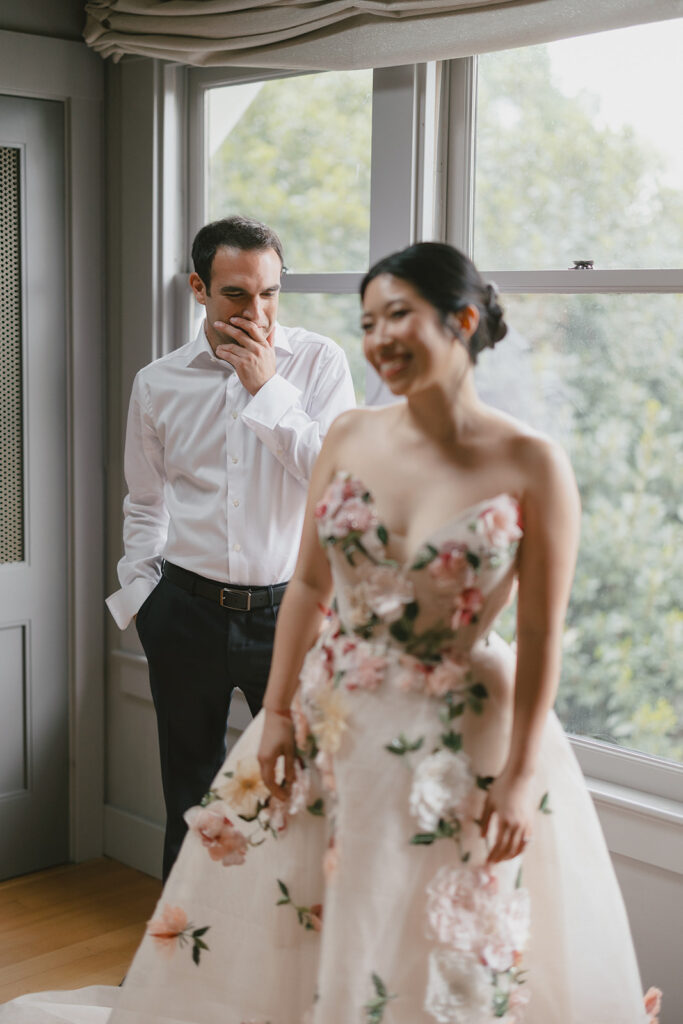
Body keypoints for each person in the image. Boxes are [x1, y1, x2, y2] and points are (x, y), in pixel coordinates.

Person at [0, 243, 660, 1024]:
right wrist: (275, 711)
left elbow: (546, 631)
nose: (377, 338)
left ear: (465, 320)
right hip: (330, 701)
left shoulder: (530, 461)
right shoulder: (349, 434)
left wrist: (517, 777)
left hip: (464, 722)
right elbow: (314, 580)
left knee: (446, 913)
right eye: (368, 320)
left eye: (398, 316)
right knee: (304, 892)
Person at [105, 215, 356, 880]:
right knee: (188, 795)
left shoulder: (319, 363)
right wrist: (142, 598)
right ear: (198, 288)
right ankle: (177, 958)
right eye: (237, 294)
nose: (257, 311)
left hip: (291, 617)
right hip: (184, 613)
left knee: (303, 787)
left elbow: (337, 480)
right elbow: (145, 501)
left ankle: (293, 957)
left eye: (270, 293)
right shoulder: (157, 383)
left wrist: (264, 388)